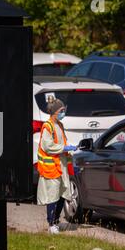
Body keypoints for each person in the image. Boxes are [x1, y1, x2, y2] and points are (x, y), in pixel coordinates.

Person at [36, 96, 77, 234]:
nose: (63, 112)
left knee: (62, 194)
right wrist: (63, 148)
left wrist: (68, 149)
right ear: (54, 112)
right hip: (51, 168)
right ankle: (51, 223)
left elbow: (62, 142)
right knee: (52, 196)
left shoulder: (59, 125)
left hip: (60, 166)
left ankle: (56, 220)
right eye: (62, 110)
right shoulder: (47, 126)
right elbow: (47, 146)